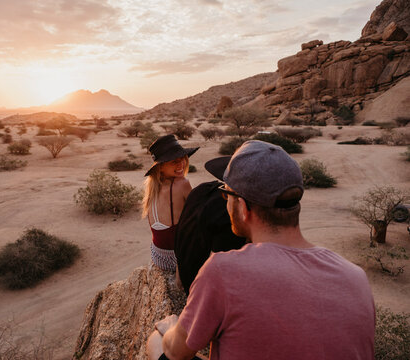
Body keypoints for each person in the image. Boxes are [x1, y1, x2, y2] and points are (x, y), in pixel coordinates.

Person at [147, 140, 375, 360]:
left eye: (226, 194)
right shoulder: (356, 277)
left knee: (156, 343)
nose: (225, 201)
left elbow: (177, 353)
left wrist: (171, 327)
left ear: (243, 207)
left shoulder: (222, 271)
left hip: (180, 339)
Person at [174, 156, 246, 295]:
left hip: (186, 276)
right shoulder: (231, 216)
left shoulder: (200, 191)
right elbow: (221, 272)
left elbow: (181, 230)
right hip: (203, 293)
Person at [143, 134, 198, 272]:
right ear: (160, 167)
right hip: (175, 258)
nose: (181, 164)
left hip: (157, 255)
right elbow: (198, 215)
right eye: (174, 162)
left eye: (182, 159)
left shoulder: (152, 188)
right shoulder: (182, 184)